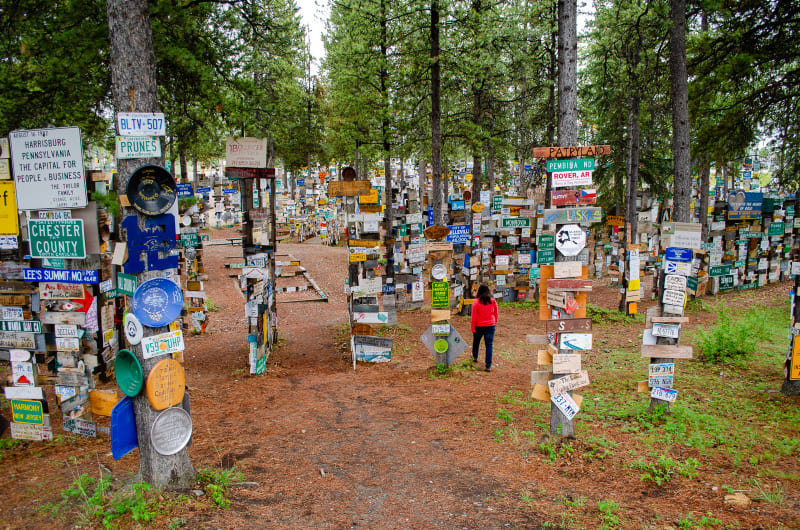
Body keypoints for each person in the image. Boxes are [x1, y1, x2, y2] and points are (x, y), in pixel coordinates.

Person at [471, 284, 498, 372]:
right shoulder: (493, 301)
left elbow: (473, 316)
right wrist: (494, 323)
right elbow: (496, 314)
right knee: (489, 345)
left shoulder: (476, 302)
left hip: (479, 325)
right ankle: (488, 365)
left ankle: (474, 357)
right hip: (490, 325)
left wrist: (472, 327)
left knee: (476, 342)